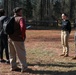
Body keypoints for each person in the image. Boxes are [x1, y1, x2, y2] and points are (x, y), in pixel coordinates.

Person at [8, 7, 31, 72]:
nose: (22, 12)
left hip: (10, 38)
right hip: (18, 39)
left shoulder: (11, 18)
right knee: (21, 53)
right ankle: (24, 67)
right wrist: (23, 36)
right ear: (19, 12)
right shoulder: (20, 19)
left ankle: (13, 66)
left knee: (12, 53)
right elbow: (23, 27)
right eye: (21, 11)